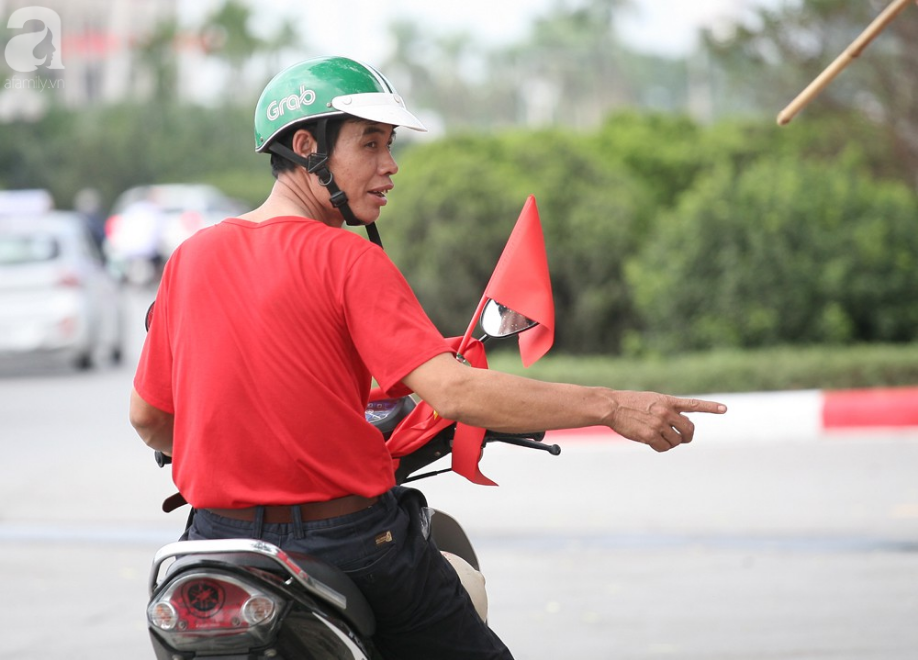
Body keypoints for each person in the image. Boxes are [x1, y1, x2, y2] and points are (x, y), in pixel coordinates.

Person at [130, 56, 727, 660]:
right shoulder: (348, 259)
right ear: (306, 146)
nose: (390, 167)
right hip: (348, 543)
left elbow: (150, 419)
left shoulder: (191, 258)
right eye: (370, 144)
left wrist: (242, 462)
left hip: (212, 543)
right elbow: (454, 393)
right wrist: (613, 405)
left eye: (389, 146)